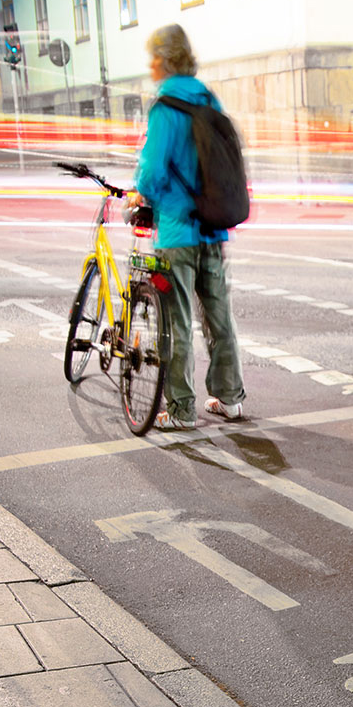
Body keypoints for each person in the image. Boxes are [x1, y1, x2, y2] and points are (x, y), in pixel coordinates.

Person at [132, 23, 246, 431]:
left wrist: (139, 194)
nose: (150, 66)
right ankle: (229, 398)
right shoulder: (207, 97)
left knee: (176, 321)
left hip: (178, 230)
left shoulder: (165, 106)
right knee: (219, 316)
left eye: (152, 58)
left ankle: (181, 409)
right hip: (213, 226)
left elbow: (152, 171)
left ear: (164, 60)